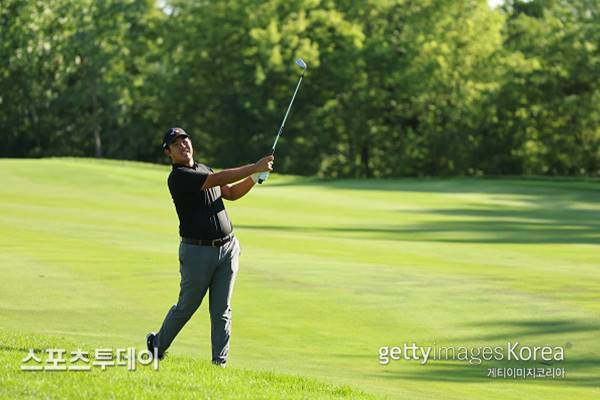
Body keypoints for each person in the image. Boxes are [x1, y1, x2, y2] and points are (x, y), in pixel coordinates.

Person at [146, 127, 274, 367]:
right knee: (187, 306)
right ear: (168, 152)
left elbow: (231, 193)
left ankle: (219, 363)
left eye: (185, 140)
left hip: (228, 249)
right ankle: (157, 345)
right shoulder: (179, 177)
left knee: (222, 309)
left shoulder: (204, 168)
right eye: (176, 144)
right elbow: (217, 180)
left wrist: (255, 178)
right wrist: (254, 166)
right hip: (197, 252)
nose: (183, 145)